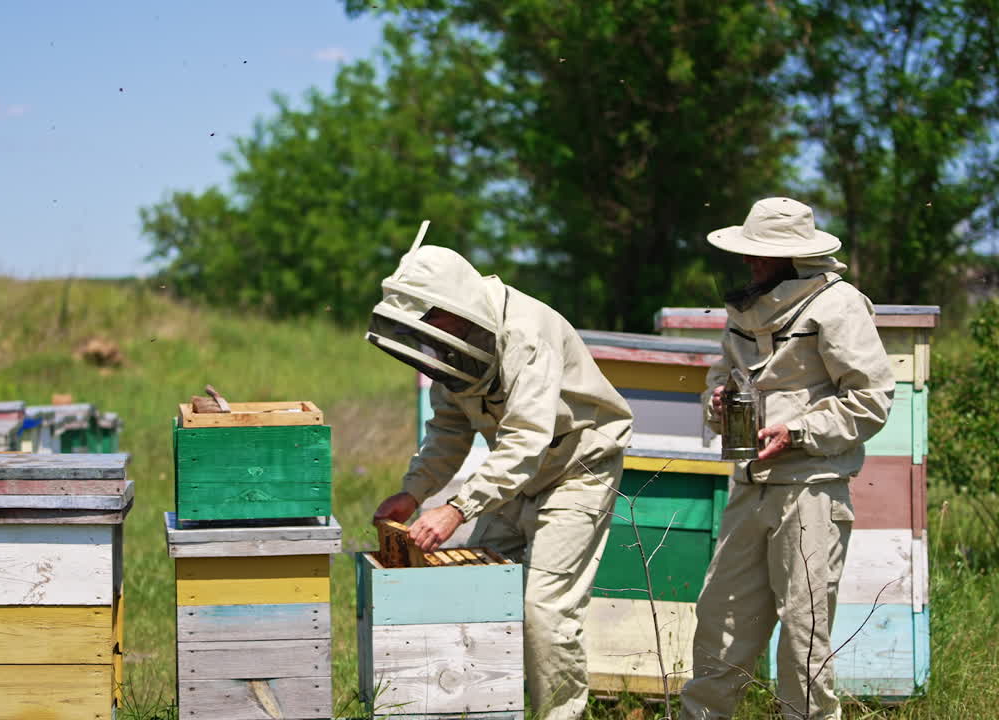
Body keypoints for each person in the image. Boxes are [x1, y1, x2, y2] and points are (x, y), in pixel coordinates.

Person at [367, 225, 633, 720]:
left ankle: (560, 716)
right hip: (517, 476)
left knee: (544, 611)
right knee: (479, 592)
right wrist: (413, 493)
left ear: (455, 303)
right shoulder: (453, 345)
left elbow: (528, 438)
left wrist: (457, 508)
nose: (428, 329)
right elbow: (448, 432)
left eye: (432, 317)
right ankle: (488, 707)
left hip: (577, 468)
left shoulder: (526, 336)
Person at [679, 198, 895, 720]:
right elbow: (722, 378)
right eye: (747, 252)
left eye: (760, 254)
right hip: (750, 486)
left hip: (811, 488)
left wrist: (797, 431)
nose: (750, 263)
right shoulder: (746, 311)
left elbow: (871, 399)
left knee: (803, 634)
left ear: (794, 257)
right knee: (721, 622)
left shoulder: (838, 305)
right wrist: (716, 402)